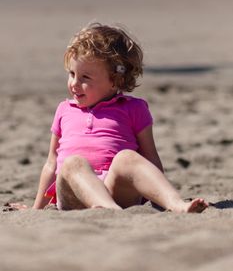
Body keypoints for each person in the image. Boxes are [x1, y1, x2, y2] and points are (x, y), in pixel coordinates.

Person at [12, 22, 208, 212]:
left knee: (127, 157)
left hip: (117, 190)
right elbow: (51, 163)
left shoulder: (134, 108)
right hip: (74, 194)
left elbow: (150, 158)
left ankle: (176, 205)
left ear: (115, 81)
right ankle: (107, 208)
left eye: (85, 78)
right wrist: (36, 209)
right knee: (73, 163)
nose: (74, 83)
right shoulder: (64, 110)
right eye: (72, 74)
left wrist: (159, 200)